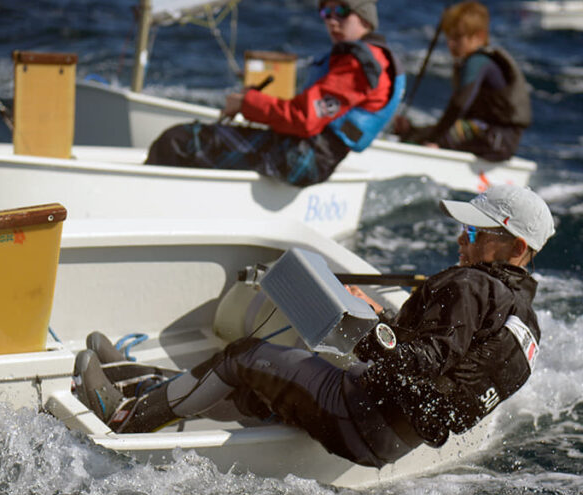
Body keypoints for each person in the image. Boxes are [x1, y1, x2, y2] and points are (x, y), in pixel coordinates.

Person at [75, 184, 555, 469]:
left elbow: (423, 363)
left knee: (244, 355)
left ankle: (126, 417)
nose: (461, 239)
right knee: (261, 388)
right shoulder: (524, 322)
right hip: (390, 439)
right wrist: (387, 322)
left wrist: (372, 336)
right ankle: (145, 385)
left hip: (358, 412)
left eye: (474, 233)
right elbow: (449, 377)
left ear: (515, 248)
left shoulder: (473, 286)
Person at [144, 0, 404, 187]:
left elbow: (304, 119)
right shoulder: (363, 59)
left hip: (303, 158)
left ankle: (152, 203)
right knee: (193, 141)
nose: (332, 19)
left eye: (343, 10)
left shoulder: (359, 64)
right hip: (305, 152)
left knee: (180, 141)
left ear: (366, 18)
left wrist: (247, 103)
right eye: (326, 10)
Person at [392, 1, 531, 162]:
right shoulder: (472, 61)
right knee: (415, 133)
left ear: (479, 36)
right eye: (449, 37)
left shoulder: (477, 61)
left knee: (428, 137)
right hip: (494, 136)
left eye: (457, 38)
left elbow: (459, 104)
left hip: (497, 139)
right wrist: (413, 130)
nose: (451, 44)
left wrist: (435, 141)